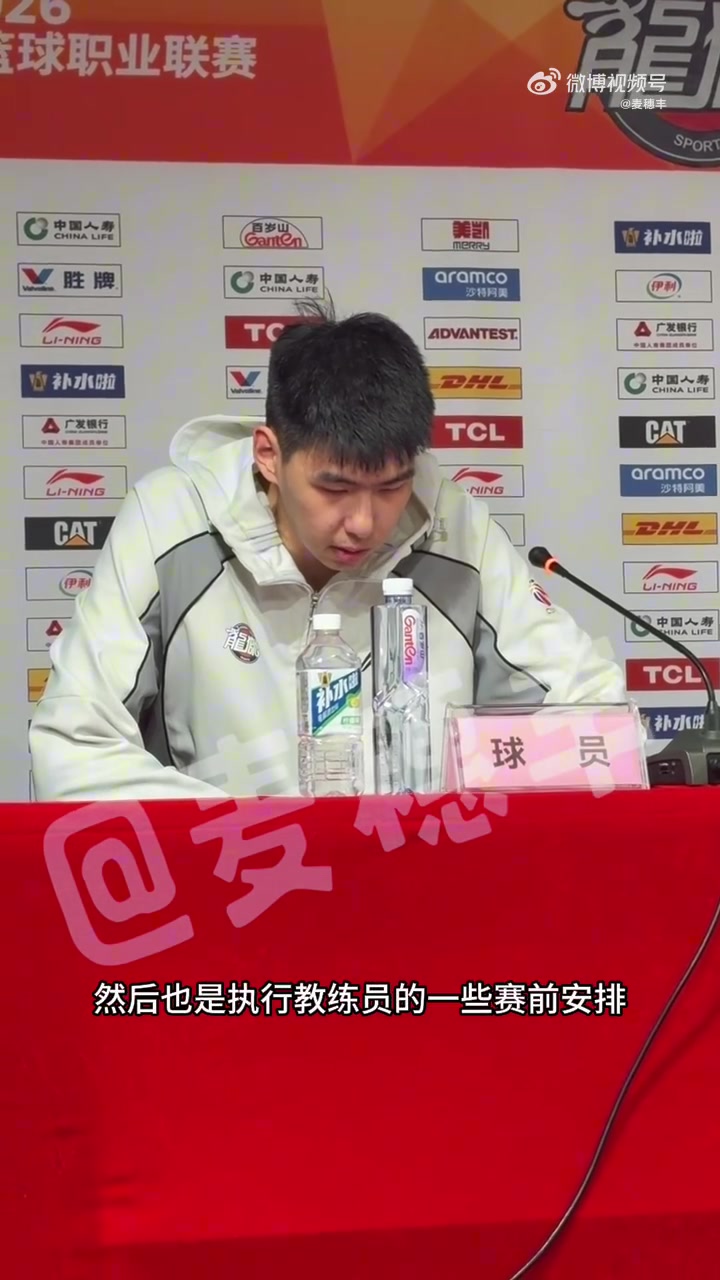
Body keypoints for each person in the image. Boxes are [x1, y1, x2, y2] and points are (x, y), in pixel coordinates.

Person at [29, 299, 627, 800]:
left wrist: (446, 807)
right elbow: (72, 751)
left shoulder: (452, 524)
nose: (364, 523)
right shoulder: (171, 520)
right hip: (235, 876)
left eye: (391, 487)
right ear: (269, 455)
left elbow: (596, 719)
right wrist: (255, 830)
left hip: (420, 877)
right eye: (334, 488)